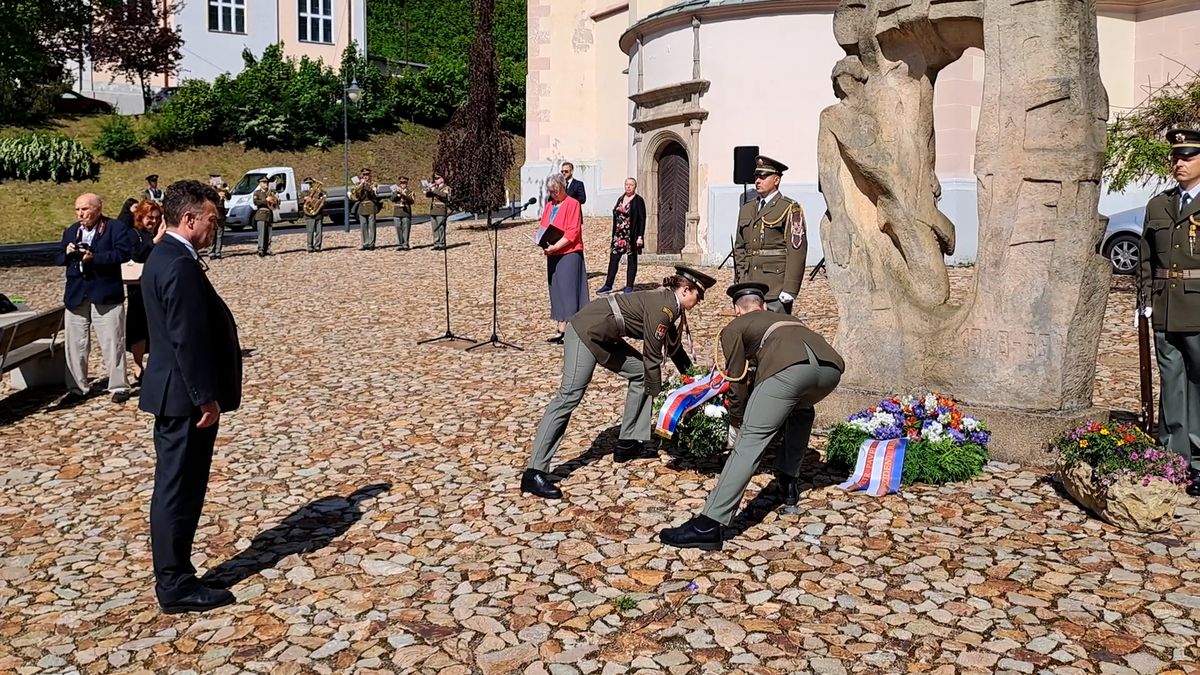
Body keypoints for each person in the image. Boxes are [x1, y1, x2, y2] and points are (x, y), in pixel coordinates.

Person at [660, 282, 844, 549]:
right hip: (830, 370)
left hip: (788, 371)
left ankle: (710, 523)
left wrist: (737, 419)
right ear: (764, 306)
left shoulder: (735, 327)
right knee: (802, 410)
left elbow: (736, 379)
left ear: (737, 309)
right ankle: (787, 483)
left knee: (749, 442)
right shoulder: (787, 319)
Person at [522, 266, 716, 500]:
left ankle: (628, 442)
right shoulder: (663, 309)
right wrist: (661, 396)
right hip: (586, 331)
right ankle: (534, 472)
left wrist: (697, 383)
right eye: (698, 295)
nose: (699, 301)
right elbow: (653, 357)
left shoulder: (669, 305)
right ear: (686, 290)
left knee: (642, 375)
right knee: (569, 396)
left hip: (606, 336)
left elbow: (675, 350)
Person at [139, 180, 243, 614]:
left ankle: (177, 573)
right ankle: (176, 583)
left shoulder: (163, 255)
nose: (215, 227)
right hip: (183, 398)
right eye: (211, 220)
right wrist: (205, 397)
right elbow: (186, 337)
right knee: (178, 489)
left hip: (174, 392)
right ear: (189, 219)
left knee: (178, 486)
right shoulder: (178, 263)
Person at [1138, 128, 1200, 497]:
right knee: (1171, 383)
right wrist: (1145, 300)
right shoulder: (1158, 205)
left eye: (1188, 156)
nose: (1179, 163)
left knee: (1199, 382)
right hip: (1164, 308)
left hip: (1198, 307)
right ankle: (1174, 458)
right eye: (1175, 157)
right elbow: (1146, 258)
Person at [55, 193, 134, 403]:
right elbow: (56, 257)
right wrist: (67, 252)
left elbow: (124, 253)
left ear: (97, 209)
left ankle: (118, 386)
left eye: (85, 209)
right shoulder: (72, 231)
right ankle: (77, 388)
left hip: (105, 294)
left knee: (112, 341)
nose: (81, 214)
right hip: (77, 295)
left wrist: (95, 258)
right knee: (76, 345)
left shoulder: (115, 228)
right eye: (78, 210)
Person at [733, 155, 808, 314]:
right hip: (749, 286)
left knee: (775, 334)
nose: (758, 181)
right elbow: (739, 248)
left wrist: (790, 288)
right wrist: (740, 279)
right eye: (756, 177)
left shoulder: (789, 208)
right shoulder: (747, 208)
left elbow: (796, 250)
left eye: (763, 176)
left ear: (776, 180)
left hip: (775, 287)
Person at [540, 173, 588, 344]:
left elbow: (573, 231)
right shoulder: (549, 205)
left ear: (563, 188)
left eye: (556, 191)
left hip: (569, 252)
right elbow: (543, 226)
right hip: (552, 252)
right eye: (551, 192)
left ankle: (572, 329)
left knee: (569, 291)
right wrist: (543, 243)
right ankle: (560, 329)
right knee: (557, 290)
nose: (554, 195)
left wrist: (557, 246)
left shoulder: (573, 204)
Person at [126, 200, 167, 383]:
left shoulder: (161, 233)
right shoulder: (134, 233)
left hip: (158, 285)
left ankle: (156, 363)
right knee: (138, 329)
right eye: (150, 218)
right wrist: (156, 240)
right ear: (141, 216)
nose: (152, 221)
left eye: (156, 218)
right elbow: (136, 255)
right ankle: (137, 365)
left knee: (157, 326)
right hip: (138, 288)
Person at [597, 177, 645, 295]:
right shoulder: (620, 198)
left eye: (631, 185)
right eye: (626, 184)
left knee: (631, 260)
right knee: (614, 259)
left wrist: (640, 236)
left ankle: (629, 286)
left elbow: (641, 219)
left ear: (635, 187)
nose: (628, 187)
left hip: (631, 235)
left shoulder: (638, 200)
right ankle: (608, 285)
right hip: (619, 235)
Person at [354, 168, 380, 251]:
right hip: (362, 206)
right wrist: (360, 187)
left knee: (371, 225)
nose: (365, 177)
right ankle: (365, 243)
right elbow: (357, 196)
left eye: (367, 175)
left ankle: (371, 243)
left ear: (370, 176)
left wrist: (366, 186)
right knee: (363, 225)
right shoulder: (358, 184)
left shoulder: (374, 184)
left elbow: (373, 195)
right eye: (364, 175)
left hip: (371, 205)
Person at [426, 172, 452, 250]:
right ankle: (436, 243)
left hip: (441, 210)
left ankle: (442, 243)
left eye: (437, 179)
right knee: (435, 228)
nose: (436, 180)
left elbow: (444, 196)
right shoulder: (435, 187)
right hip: (433, 210)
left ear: (442, 179)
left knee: (441, 227)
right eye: (435, 179)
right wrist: (429, 189)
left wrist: (434, 190)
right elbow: (428, 195)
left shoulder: (446, 188)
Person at [251, 176, 276, 257]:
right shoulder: (257, 192)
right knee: (261, 233)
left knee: (269, 233)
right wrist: (266, 200)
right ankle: (261, 249)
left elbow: (276, 203)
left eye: (266, 183)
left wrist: (274, 200)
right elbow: (256, 202)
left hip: (269, 214)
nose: (265, 184)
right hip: (261, 214)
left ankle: (267, 248)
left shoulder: (271, 192)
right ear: (260, 183)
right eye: (264, 183)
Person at [301, 177, 326, 253]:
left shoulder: (319, 191)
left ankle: (317, 246)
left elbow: (324, 196)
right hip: (309, 214)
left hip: (318, 213)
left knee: (319, 231)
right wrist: (305, 199)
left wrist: (320, 198)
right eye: (308, 183)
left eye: (311, 183)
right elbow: (299, 201)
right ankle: (310, 247)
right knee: (310, 231)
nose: (309, 184)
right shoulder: (304, 192)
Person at [391, 176, 415, 250]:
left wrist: (404, 195)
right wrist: (397, 194)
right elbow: (392, 199)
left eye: (404, 183)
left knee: (406, 228)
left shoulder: (410, 192)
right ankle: (400, 243)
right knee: (398, 228)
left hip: (406, 212)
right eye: (401, 183)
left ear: (407, 183)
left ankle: (405, 244)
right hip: (397, 212)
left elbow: (411, 201)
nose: (402, 184)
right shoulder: (395, 191)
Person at [210, 180, 231, 259]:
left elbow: (229, 198)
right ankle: (211, 252)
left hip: (221, 216)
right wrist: (219, 197)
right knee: (212, 235)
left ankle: (218, 251)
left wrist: (225, 192)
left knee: (220, 235)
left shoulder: (222, 191)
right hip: (214, 215)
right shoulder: (212, 192)